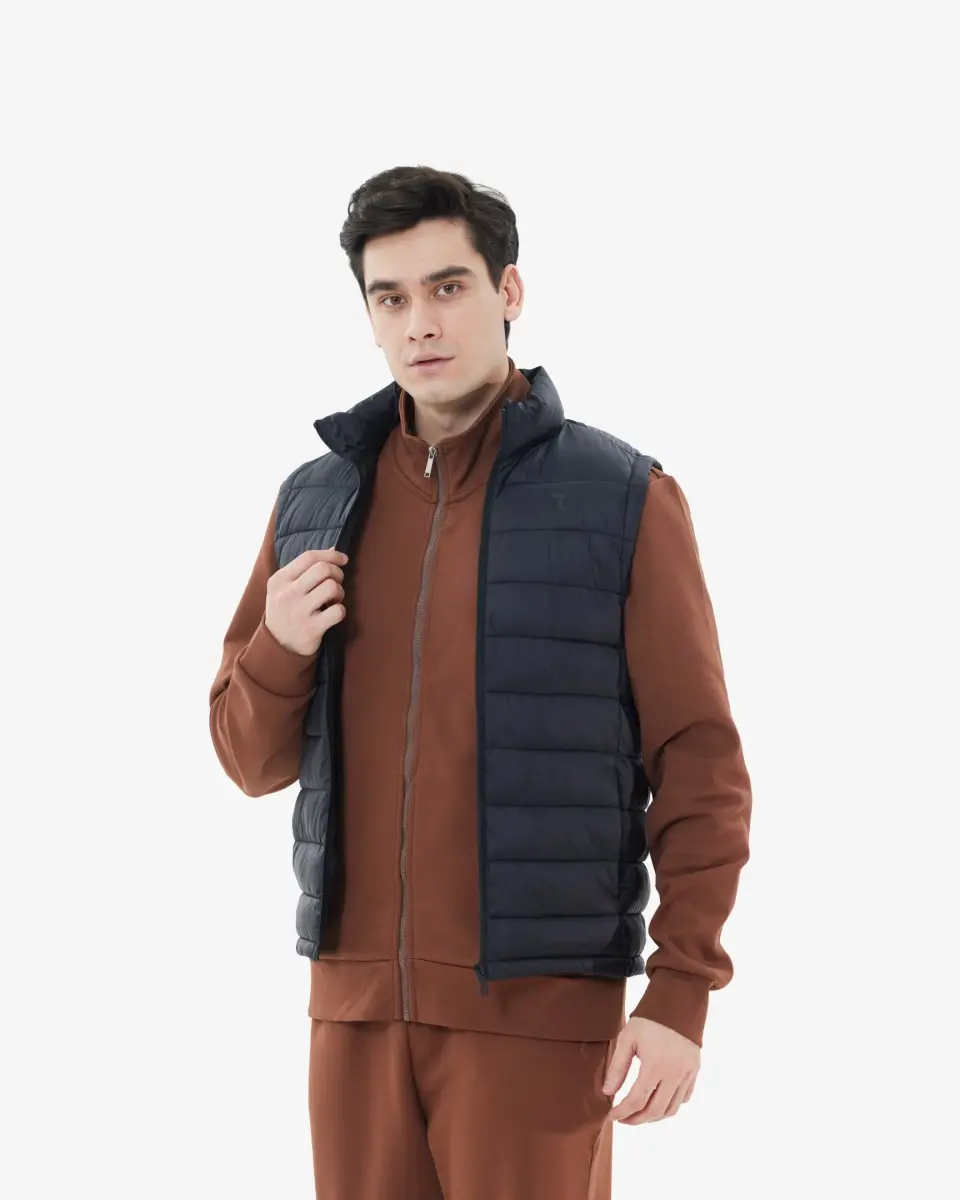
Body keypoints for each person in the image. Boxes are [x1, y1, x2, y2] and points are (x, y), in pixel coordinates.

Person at [208, 165, 752, 1200]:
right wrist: (278, 645)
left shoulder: (622, 499)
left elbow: (700, 767)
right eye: (390, 297)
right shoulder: (317, 501)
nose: (420, 322)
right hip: (354, 1014)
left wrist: (681, 990)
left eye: (448, 287)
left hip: (538, 1020)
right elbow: (248, 760)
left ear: (509, 291)